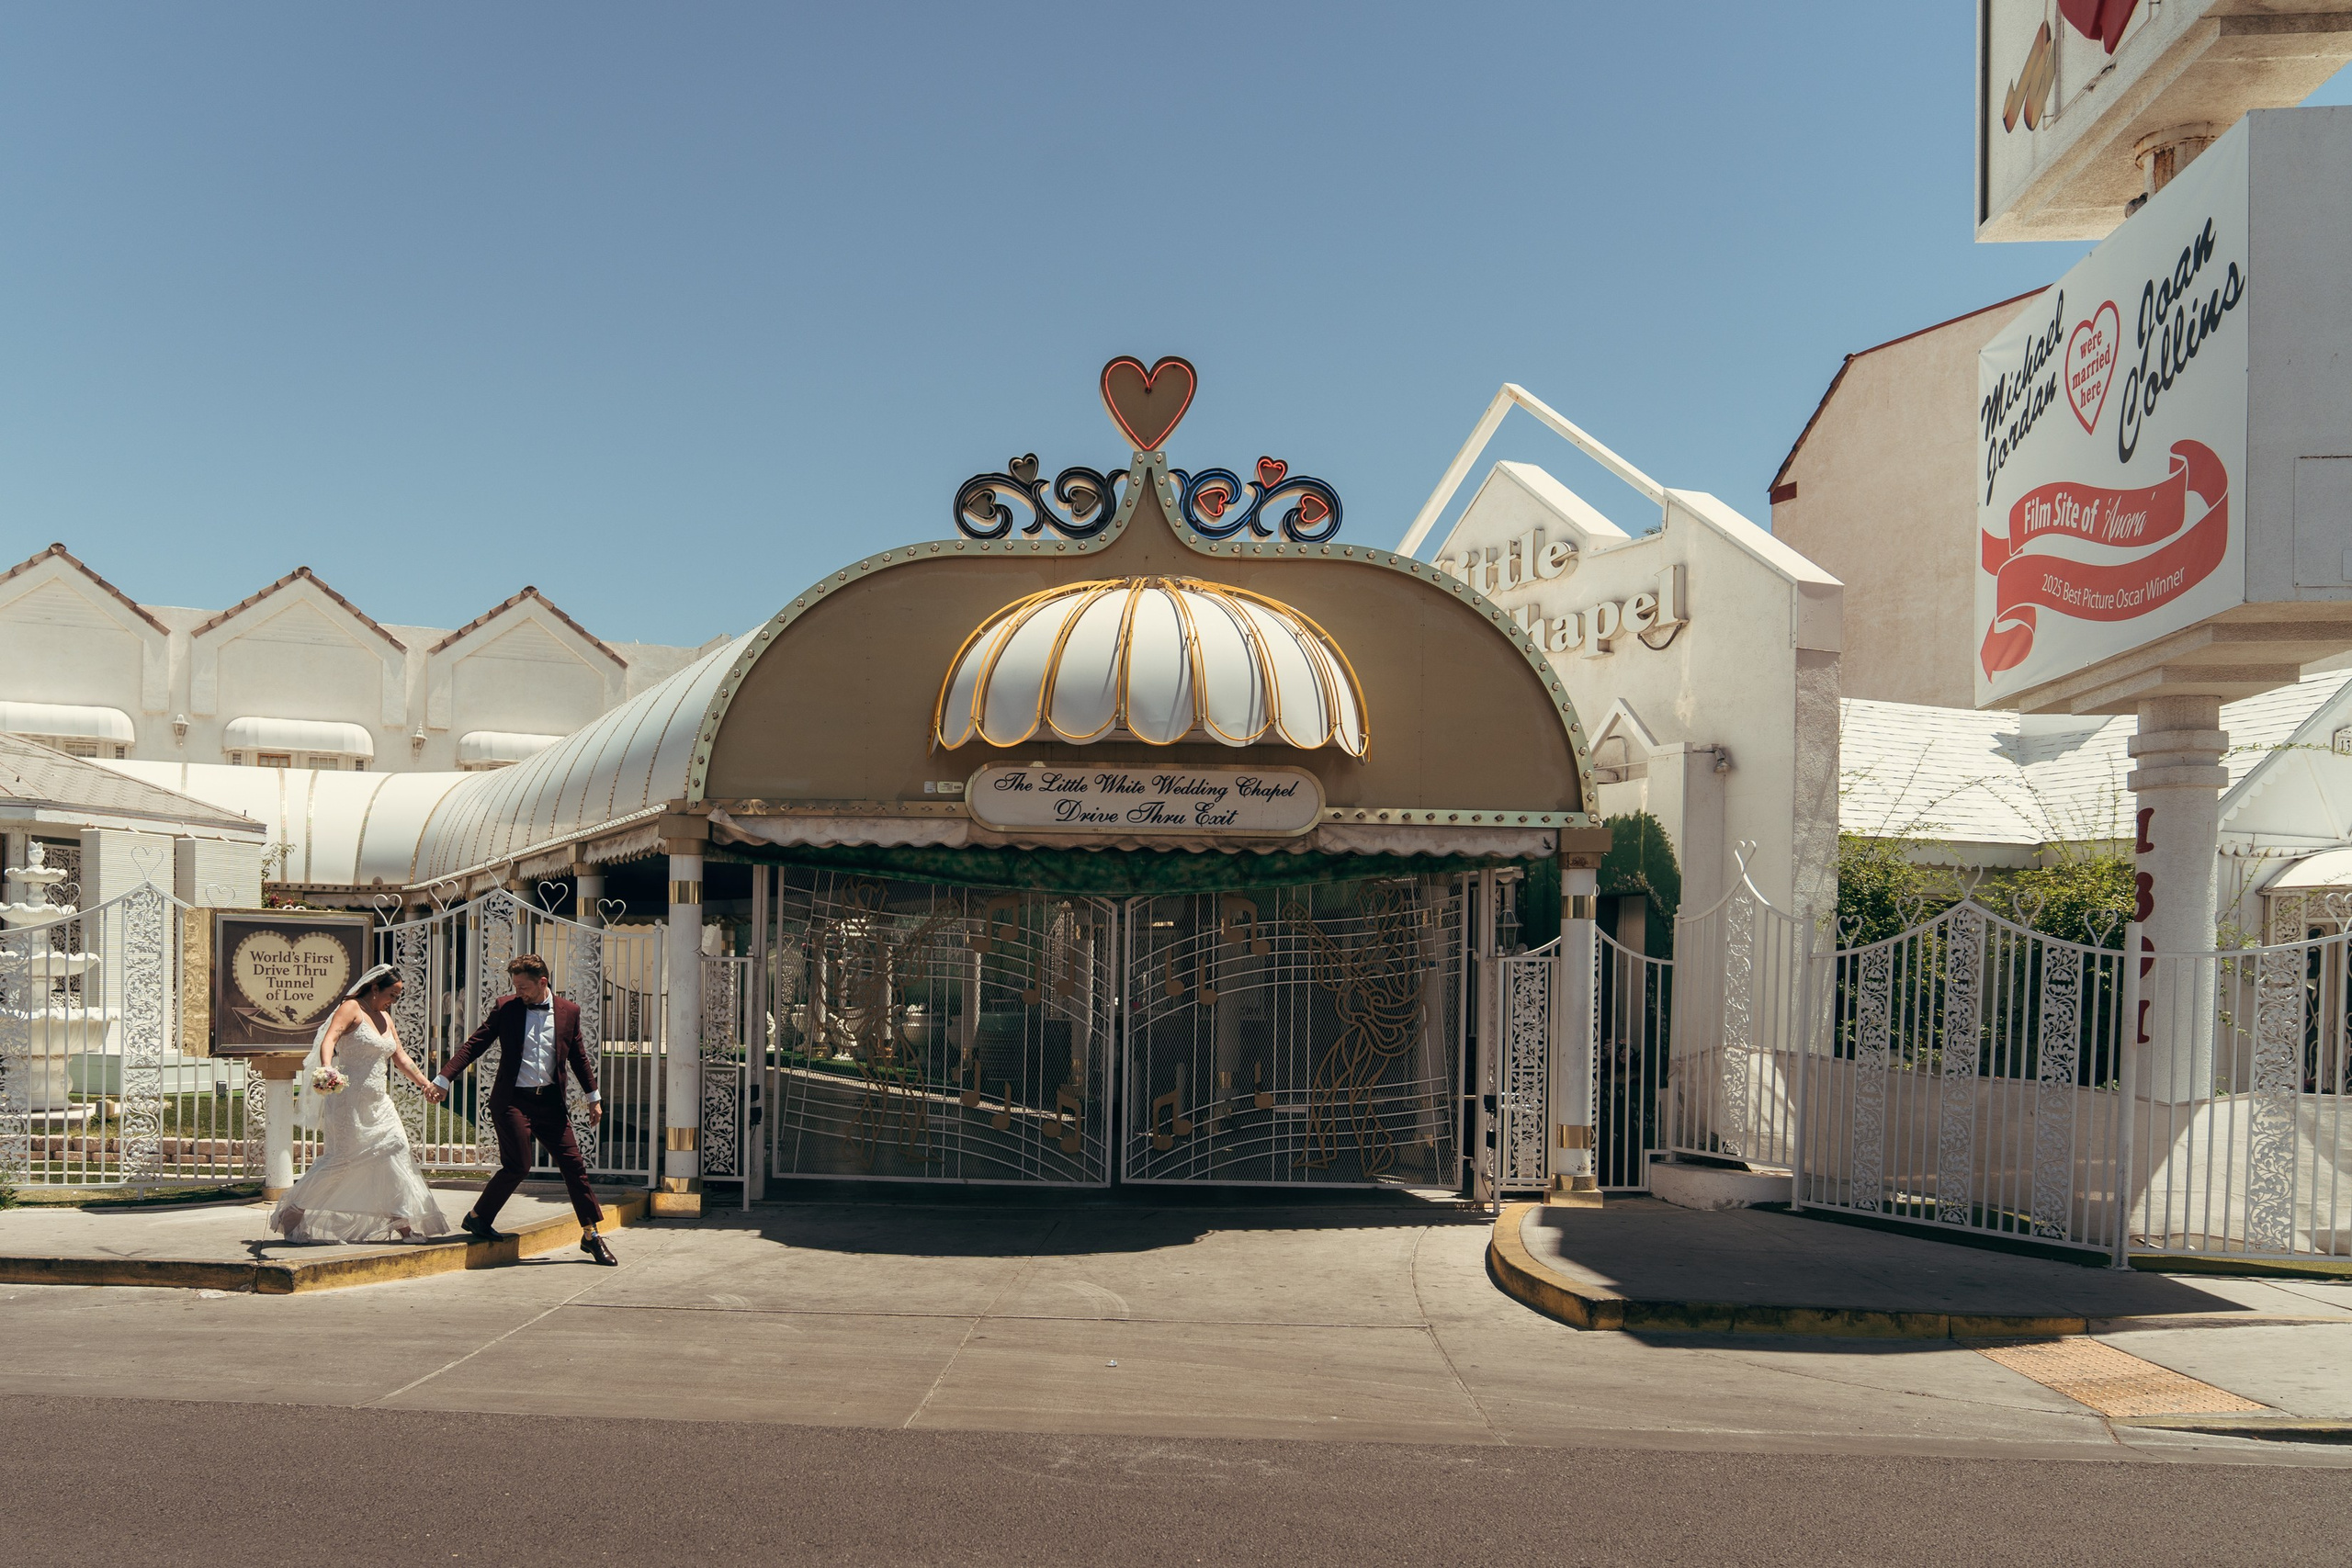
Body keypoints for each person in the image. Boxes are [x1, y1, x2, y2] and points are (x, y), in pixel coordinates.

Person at [433, 953, 617, 1266]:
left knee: (575, 1167)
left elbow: (579, 1057)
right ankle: (480, 1217)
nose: (519, 992)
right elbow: (474, 1044)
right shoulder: (507, 1008)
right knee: (518, 1165)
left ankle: (591, 1236)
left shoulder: (569, 1012)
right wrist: (444, 1078)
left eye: (523, 986)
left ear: (542, 982)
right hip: (512, 1101)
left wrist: (594, 1097)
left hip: (550, 1104)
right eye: (515, 986)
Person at [268, 964, 453, 1244]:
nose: (394, 1000)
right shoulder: (351, 1008)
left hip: (380, 1103)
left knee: (396, 1154)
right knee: (340, 1162)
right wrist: (328, 1068)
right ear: (375, 987)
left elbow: (401, 1057)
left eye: (399, 996)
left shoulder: (385, 1018)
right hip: (348, 1103)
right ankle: (292, 1212)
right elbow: (330, 1038)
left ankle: (403, 1227)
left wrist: (426, 1084)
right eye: (392, 993)